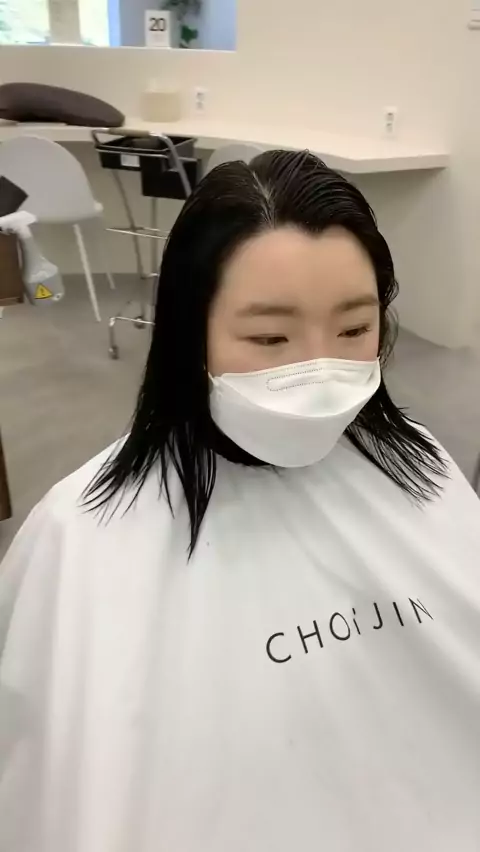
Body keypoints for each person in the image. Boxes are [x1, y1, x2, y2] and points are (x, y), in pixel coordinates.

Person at [0, 150, 479, 852]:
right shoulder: (78, 538)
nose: (319, 371)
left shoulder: (420, 463)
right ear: (190, 335)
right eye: (269, 338)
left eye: (354, 329)